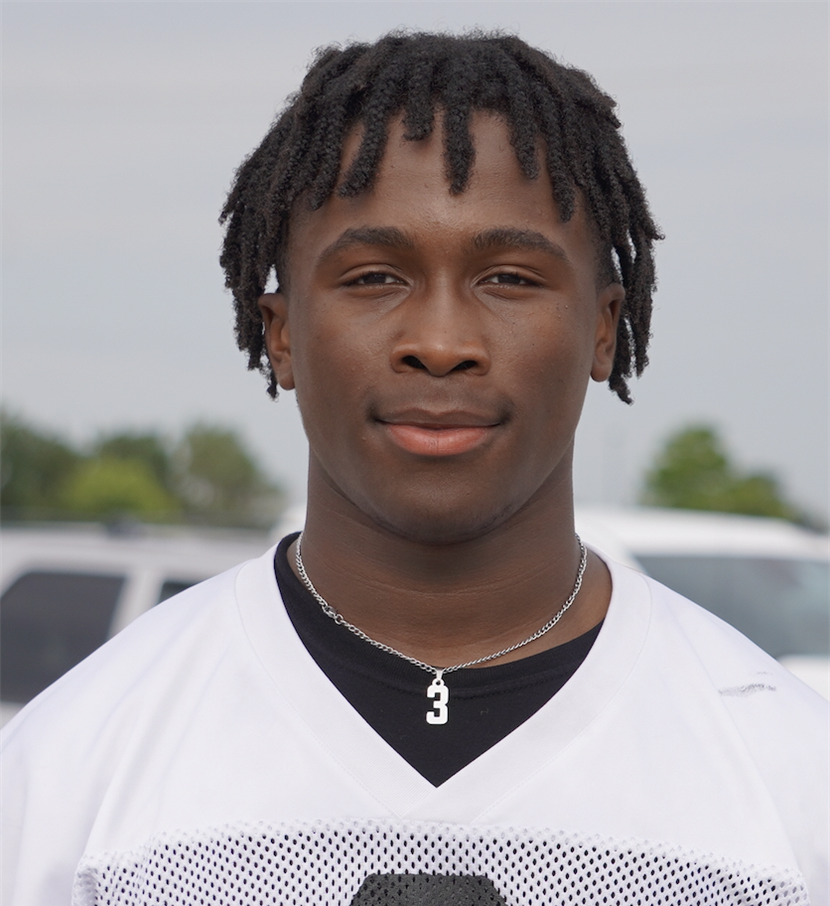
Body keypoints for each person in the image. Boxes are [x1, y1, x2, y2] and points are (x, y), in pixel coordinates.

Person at [1, 32, 827, 906]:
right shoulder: (68, 774)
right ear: (282, 335)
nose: (439, 343)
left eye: (509, 278)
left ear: (602, 328)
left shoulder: (793, 782)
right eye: (373, 278)